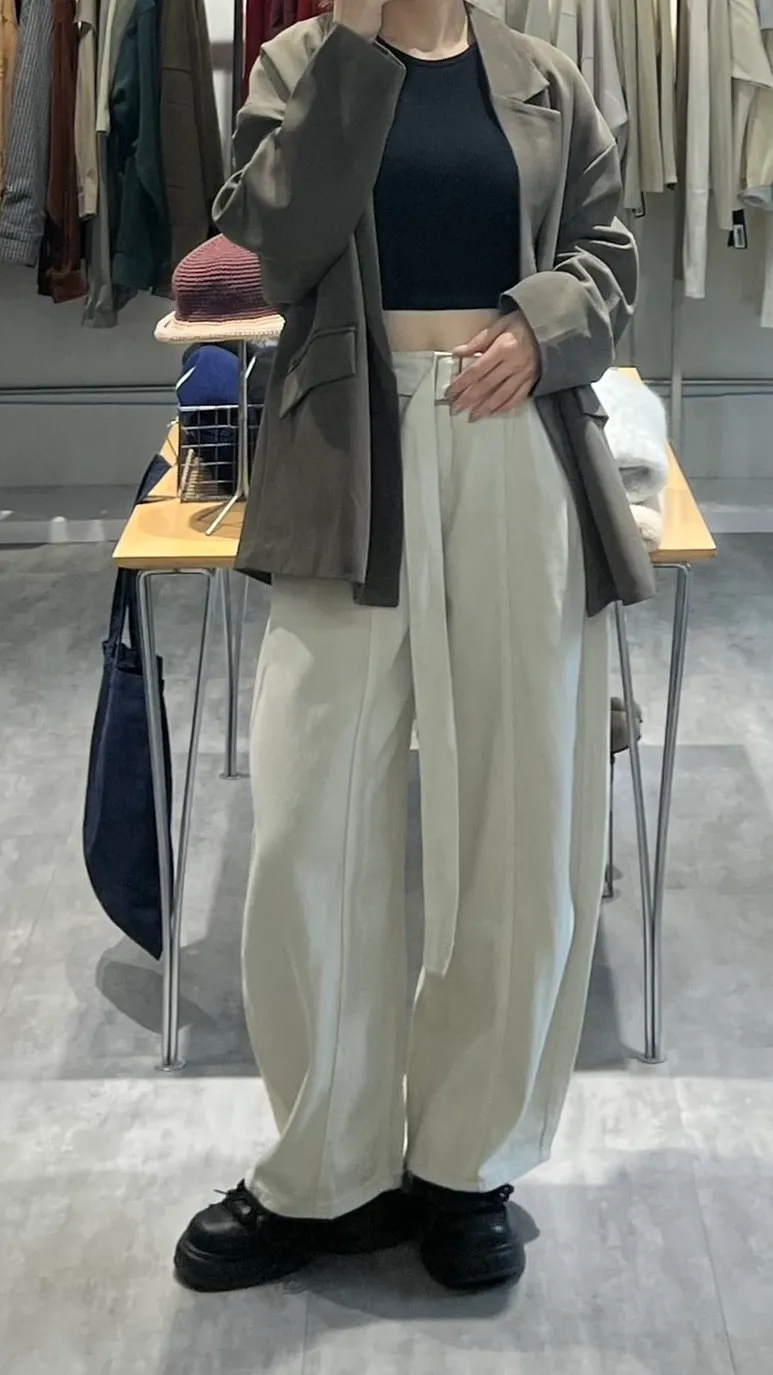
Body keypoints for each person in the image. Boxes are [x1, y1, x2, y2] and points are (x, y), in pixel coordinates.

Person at [174, 0, 641, 1295]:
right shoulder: (299, 65)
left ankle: (467, 1161)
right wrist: (360, 54)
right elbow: (273, 246)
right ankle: (323, 1170)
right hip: (349, 447)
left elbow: (611, 254)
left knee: (521, 816)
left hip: (516, 444)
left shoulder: (547, 79)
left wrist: (542, 325)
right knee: (308, 822)